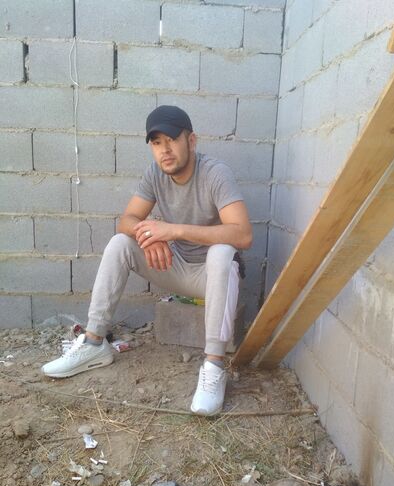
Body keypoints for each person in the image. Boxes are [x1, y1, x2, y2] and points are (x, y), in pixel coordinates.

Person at [42, 105, 253, 416]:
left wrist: (173, 230)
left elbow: (243, 235)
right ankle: (94, 342)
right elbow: (126, 221)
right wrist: (151, 236)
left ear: (191, 140)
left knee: (223, 252)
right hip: (176, 268)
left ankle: (213, 366)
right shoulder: (155, 174)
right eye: (156, 143)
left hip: (213, 276)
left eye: (172, 140)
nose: (164, 150)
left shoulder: (214, 173)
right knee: (121, 243)